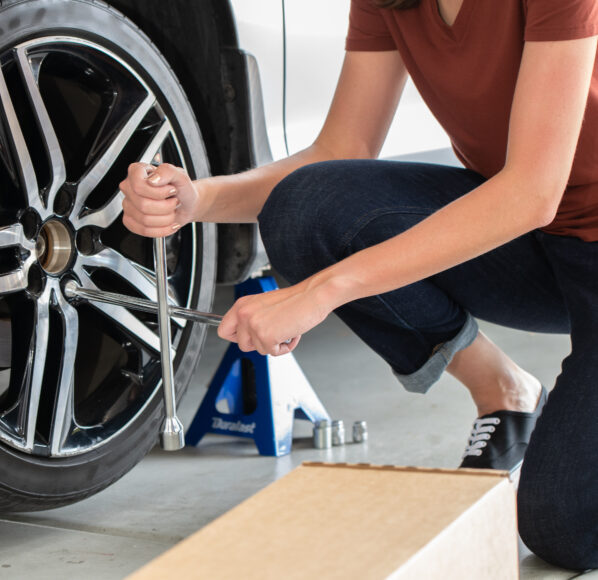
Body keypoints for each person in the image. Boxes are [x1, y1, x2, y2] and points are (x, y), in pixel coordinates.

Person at [120, 0, 598, 570]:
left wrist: (321, 292)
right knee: (306, 210)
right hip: (533, 246)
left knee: (561, 525)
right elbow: (339, 152)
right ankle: (505, 391)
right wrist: (199, 200)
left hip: (542, 216)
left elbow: (530, 192)